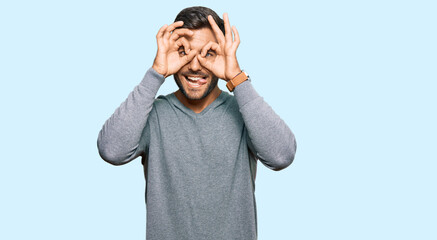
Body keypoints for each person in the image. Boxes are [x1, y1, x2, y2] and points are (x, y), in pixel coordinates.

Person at [97, 6, 297, 240]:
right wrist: (156, 73)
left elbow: (282, 155)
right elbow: (111, 150)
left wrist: (237, 78)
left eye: (207, 53)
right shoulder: (154, 114)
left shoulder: (244, 112)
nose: (194, 66)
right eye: (184, 52)